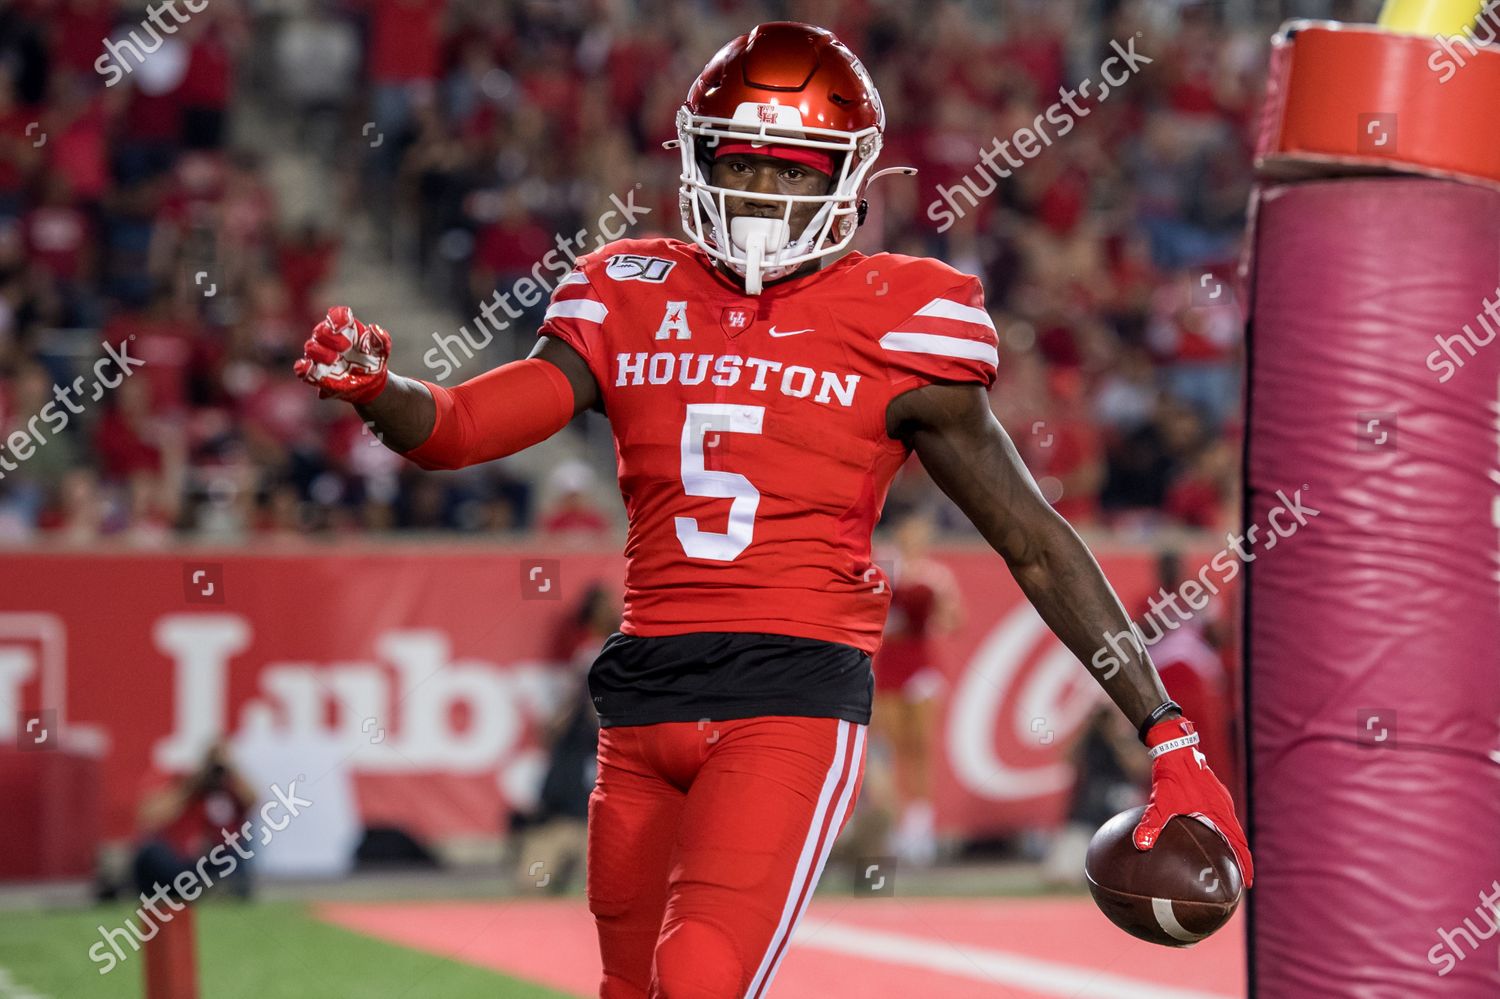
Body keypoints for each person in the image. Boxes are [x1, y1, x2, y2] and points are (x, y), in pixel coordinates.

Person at [294, 22, 1252, 998]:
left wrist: (1166, 732)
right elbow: (460, 426)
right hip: (642, 695)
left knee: (700, 977)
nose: (762, 193)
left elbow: (1036, 544)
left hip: (790, 693)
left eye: (793, 170)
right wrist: (384, 390)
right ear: (696, 159)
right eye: (740, 163)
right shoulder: (626, 289)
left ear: (847, 179)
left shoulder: (904, 317)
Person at [870, 508, 961, 867]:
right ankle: (897, 822)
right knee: (893, 747)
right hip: (891, 662)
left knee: (920, 746)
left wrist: (935, 608)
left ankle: (920, 826)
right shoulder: (884, 566)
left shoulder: (936, 575)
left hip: (920, 664)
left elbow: (955, 620)